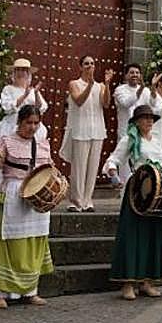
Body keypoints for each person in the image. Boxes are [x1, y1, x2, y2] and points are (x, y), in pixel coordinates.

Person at [0, 104, 54, 309]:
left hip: (36, 196)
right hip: (13, 192)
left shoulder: (43, 144)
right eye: (28, 122)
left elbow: (50, 170)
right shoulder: (6, 141)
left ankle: (30, 291)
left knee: (33, 242)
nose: (32, 126)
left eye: (36, 123)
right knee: (9, 243)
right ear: (19, 122)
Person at [104, 104, 162, 300]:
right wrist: (113, 174)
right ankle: (127, 283)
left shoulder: (157, 141)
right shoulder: (130, 139)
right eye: (144, 118)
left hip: (157, 193)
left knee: (153, 235)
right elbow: (113, 160)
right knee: (133, 236)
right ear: (136, 121)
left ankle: (147, 281)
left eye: (151, 118)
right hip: (137, 193)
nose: (149, 121)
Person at [62, 56, 112, 212]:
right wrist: (89, 85)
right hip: (80, 130)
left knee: (92, 167)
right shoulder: (74, 84)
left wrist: (108, 85)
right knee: (79, 167)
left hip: (97, 130)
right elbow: (78, 101)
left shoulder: (100, 86)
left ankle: (87, 200)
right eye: (86, 64)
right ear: (80, 67)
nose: (90, 66)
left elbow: (105, 103)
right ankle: (75, 201)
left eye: (92, 63)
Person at [0, 59, 46, 197]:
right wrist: (24, 95)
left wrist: (36, 93)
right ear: (14, 73)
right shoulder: (8, 89)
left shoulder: (33, 91)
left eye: (24, 71)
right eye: (19, 70)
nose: (22, 73)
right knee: (7, 157)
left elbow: (42, 108)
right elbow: (8, 108)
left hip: (30, 128)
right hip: (12, 126)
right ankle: (2, 191)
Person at [111, 64, 152, 184]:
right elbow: (126, 103)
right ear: (126, 75)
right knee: (125, 162)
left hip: (142, 133)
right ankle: (125, 188)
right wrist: (139, 91)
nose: (135, 75)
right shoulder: (120, 90)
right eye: (132, 72)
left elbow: (151, 107)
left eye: (137, 72)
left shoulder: (146, 91)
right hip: (126, 132)